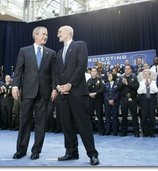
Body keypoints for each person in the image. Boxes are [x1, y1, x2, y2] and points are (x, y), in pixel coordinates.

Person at [55, 25, 99, 165]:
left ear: (68, 32)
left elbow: (81, 66)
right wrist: (58, 86)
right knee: (66, 125)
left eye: (60, 32)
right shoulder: (59, 52)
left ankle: (92, 154)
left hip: (77, 93)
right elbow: (56, 73)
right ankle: (71, 152)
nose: (58, 35)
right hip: (63, 94)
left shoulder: (80, 45)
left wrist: (70, 84)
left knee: (83, 125)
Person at [11, 26, 57, 160]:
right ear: (35, 35)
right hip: (28, 92)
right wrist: (15, 86)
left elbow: (53, 73)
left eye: (47, 35)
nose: (46, 37)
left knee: (41, 123)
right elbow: (19, 71)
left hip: (44, 92)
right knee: (24, 121)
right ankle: (21, 150)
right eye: (43, 34)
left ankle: (36, 150)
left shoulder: (51, 53)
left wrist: (54, 89)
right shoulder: (24, 51)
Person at [118, 64, 140, 137]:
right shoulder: (121, 78)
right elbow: (118, 88)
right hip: (124, 99)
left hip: (132, 98)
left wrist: (127, 84)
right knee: (124, 116)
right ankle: (123, 132)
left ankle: (136, 132)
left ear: (131, 70)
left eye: (128, 69)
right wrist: (123, 84)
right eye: (125, 69)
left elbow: (136, 87)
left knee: (134, 115)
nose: (127, 70)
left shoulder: (134, 77)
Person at [137, 69, 158, 137]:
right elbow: (139, 91)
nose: (146, 75)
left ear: (150, 75)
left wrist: (150, 84)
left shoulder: (153, 82)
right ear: (143, 75)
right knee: (144, 116)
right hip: (143, 98)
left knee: (152, 116)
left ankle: (152, 132)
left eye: (147, 74)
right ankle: (145, 132)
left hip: (152, 98)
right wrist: (145, 85)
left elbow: (156, 90)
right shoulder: (140, 82)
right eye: (144, 74)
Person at [87, 67, 105, 135]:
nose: (93, 72)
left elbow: (103, 88)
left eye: (95, 71)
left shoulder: (100, 80)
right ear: (91, 72)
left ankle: (101, 131)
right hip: (90, 100)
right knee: (89, 116)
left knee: (99, 116)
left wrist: (96, 93)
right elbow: (85, 89)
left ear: (97, 72)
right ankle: (90, 131)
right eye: (92, 71)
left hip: (98, 100)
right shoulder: (89, 80)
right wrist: (89, 94)